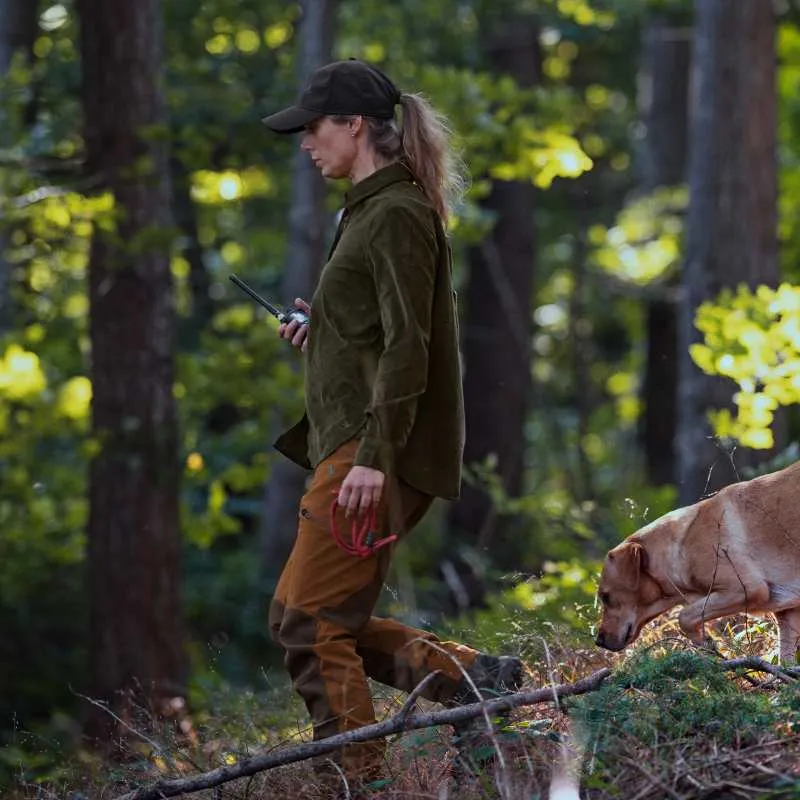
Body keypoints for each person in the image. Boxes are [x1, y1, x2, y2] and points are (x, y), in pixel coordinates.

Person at [262, 59, 523, 794]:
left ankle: (360, 785)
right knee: (301, 614)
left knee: (311, 624)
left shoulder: (398, 212)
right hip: (352, 442)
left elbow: (416, 345)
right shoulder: (371, 209)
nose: (305, 143)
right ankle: (479, 680)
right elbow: (384, 332)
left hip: (369, 451)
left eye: (312, 128)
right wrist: (326, 330)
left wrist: (375, 459)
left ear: (352, 125)